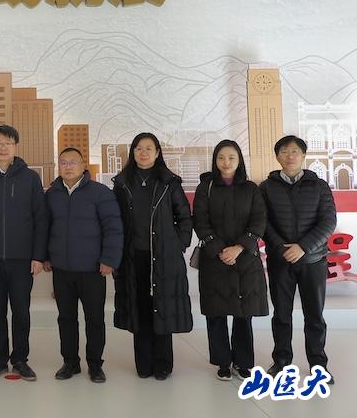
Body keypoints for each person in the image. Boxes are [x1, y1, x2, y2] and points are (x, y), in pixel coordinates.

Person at [111, 132, 192, 380]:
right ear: (132, 153)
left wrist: (178, 245)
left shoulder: (169, 182)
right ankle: (143, 362)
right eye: (138, 148)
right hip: (133, 256)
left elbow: (184, 217)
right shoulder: (122, 183)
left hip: (163, 256)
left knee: (162, 308)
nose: (143, 152)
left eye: (148, 148)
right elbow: (114, 220)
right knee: (140, 309)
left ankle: (163, 363)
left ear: (157, 153)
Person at [0, 124, 48, 382]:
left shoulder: (30, 178)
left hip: (22, 259)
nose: (3, 147)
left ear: (16, 146)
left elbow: (40, 219)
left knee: (21, 311)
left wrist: (38, 255)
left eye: (8, 143)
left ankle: (21, 359)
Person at [260, 135, 336, 383]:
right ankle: (282, 361)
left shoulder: (319, 186)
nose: (290, 156)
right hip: (280, 260)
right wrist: (282, 248)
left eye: (294, 151)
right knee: (281, 314)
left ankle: (318, 365)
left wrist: (303, 247)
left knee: (314, 316)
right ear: (277, 156)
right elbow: (263, 222)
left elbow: (328, 222)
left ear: (303, 155)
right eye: (284, 151)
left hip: (313, 261)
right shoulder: (266, 187)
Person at [44, 147, 123, 383]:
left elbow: (113, 228)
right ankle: (70, 362)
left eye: (73, 162)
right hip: (62, 269)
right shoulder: (52, 194)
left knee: (94, 319)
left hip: (92, 269)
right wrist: (45, 256)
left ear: (83, 165)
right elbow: (44, 227)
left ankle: (95, 364)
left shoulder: (100, 192)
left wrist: (109, 260)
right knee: (66, 318)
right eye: (63, 162)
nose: (68, 166)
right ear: (59, 166)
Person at [192, 140, 267, 381]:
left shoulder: (251, 188)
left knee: (243, 314)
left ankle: (243, 362)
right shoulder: (205, 187)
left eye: (231, 157)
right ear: (215, 160)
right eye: (221, 157)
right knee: (216, 313)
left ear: (239, 160)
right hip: (215, 260)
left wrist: (238, 248)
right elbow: (200, 222)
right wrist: (220, 249)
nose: (226, 162)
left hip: (245, 259)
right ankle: (223, 362)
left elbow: (259, 221)